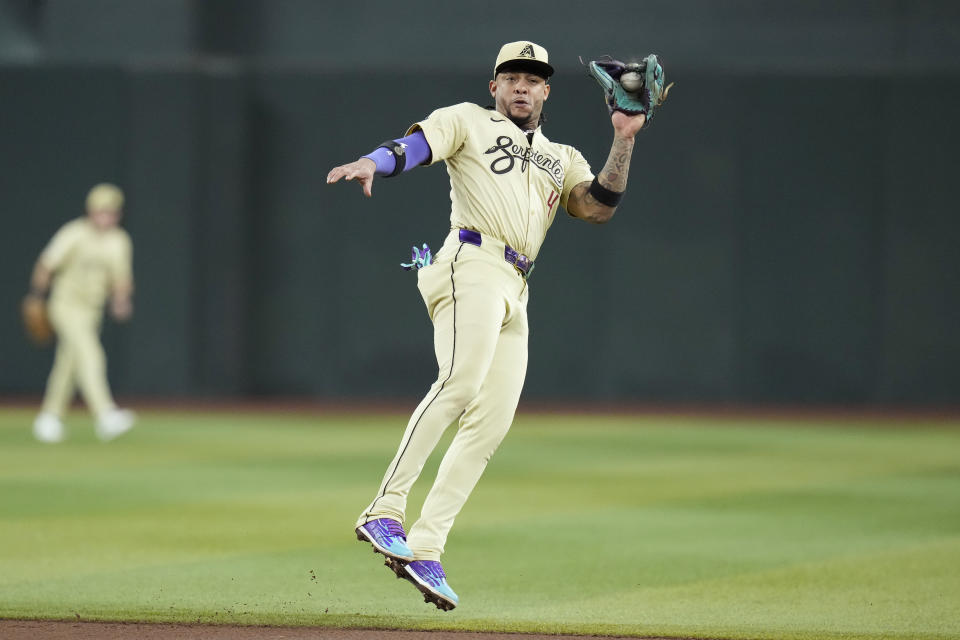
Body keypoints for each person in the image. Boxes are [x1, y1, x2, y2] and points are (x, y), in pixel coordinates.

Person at [327, 41, 649, 611]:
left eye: (533, 78)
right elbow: (416, 146)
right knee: (458, 385)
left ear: (547, 90)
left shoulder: (564, 155)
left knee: (490, 424)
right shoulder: (467, 120)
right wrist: (372, 163)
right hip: (469, 262)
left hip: (517, 285)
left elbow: (598, 206)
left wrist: (623, 138)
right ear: (493, 87)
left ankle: (426, 544)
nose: (522, 86)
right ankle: (384, 510)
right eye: (511, 77)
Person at [29, 183, 136, 443]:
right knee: (91, 354)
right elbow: (46, 264)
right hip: (65, 305)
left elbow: (121, 279)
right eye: (101, 211)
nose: (106, 217)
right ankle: (105, 415)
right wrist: (36, 297)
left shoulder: (119, 240)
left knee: (69, 363)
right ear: (91, 211)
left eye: (111, 212)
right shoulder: (74, 233)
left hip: (92, 310)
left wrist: (121, 300)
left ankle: (49, 417)